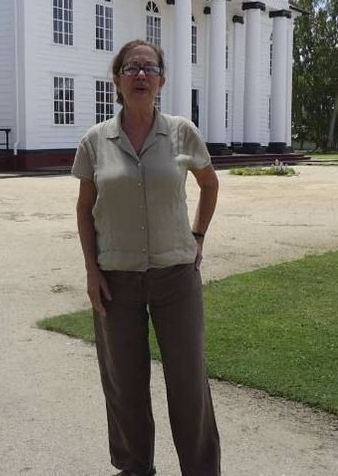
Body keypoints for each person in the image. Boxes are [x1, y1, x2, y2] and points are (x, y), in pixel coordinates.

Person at [72, 39, 221, 476]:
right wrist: (91, 270)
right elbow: (84, 208)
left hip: (176, 277)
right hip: (116, 280)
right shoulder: (95, 141)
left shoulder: (181, 132)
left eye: (150, 68)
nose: (141, 74)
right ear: (117, 80)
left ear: (162, 80)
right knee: (125, 384)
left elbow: (210, 185)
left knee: (189, 383)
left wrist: (198, 235)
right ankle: (135, 467)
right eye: (131, 68)